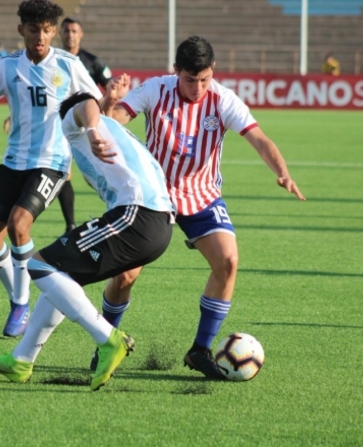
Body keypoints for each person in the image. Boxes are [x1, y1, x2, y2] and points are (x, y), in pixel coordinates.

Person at [93, 36, 305, 378]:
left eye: (204, 78)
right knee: (126, 275)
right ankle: (105, 343)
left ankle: (200, 350)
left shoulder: (223, 99)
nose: (198, 87)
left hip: (201, 195)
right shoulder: (156, 89)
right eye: (190, 79)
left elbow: (259, 138)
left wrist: (282, 172)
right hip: (153, 195)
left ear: (213, 71)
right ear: (176, 71)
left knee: (228, 261)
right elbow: (117, 118)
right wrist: (109, 106)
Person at [0, 88, 175, 391]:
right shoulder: (114, 131)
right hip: (156, 225)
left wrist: (89, 128)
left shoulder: (73, 122)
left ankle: (109, 339)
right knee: (63, 278)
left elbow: (84, 104)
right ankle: (21, 359)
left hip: (138, 215)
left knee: (40, 266)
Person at [0, 0, 104, 338]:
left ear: (54, 32)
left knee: (20, 226)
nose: (41, 36)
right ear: (21, 30)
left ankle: (21, 304)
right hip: (13, 162)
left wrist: (107, 107)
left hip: (51, 162)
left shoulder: (68, 64)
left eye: (48, 30)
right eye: (34, 29)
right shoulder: (7, 66)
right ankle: (17, 298)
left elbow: (95, 102)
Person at [4, 17, 113, 234]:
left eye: (74, 31)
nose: (70, 35)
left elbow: (107, 88)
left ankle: (110, 216)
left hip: (86, 126)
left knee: (95, 176)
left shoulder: (90, 61)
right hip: (60, 125)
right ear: (59, 33)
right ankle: (71, 224)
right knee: (65, 174)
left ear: (81, 34)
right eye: (67, 31)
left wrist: (108, 108)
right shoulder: (48, 61)